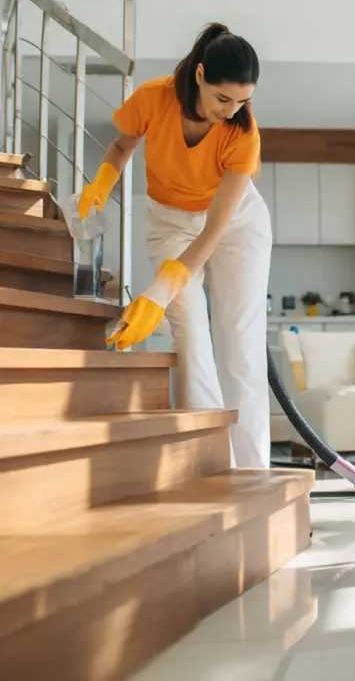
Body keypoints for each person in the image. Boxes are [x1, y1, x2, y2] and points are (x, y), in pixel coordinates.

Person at [78, 23, 273, 469]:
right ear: (200, 75)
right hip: (168, 218)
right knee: (188, 328)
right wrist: (102, 183)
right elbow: (122, 145)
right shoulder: (154, 97)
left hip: (234, 224)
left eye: (243, 101)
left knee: (239, 340)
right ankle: (210, 462)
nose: (232, 110)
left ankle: (253, 469)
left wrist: (159, 290)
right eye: (224, 99)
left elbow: (211, 234)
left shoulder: (243, 132)